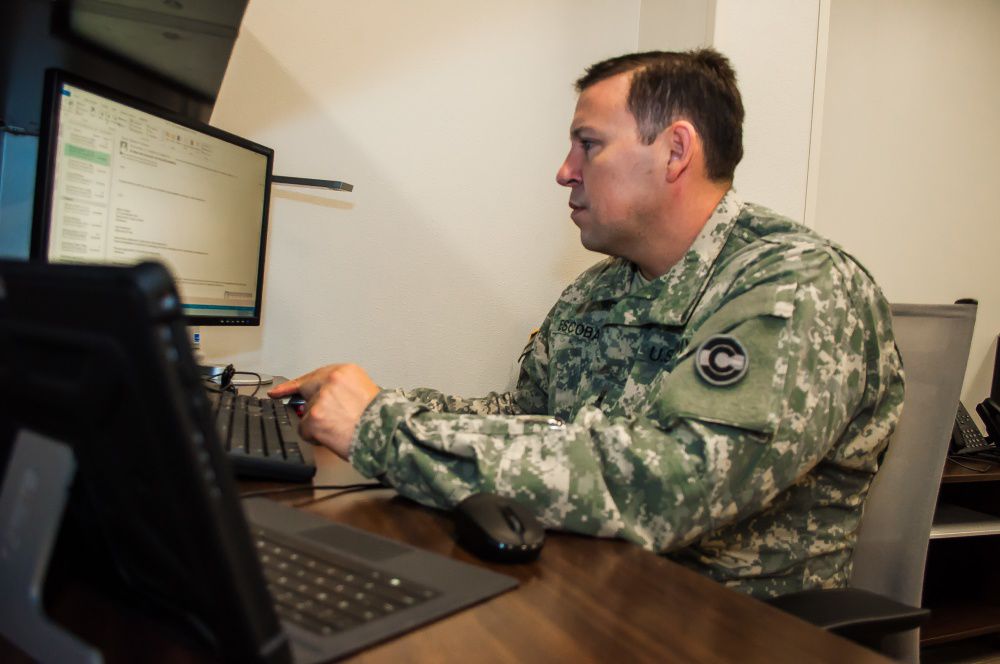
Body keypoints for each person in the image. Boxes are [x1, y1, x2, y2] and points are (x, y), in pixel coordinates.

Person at [269, 49, 904, 598]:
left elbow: (673, 484)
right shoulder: (599, 289)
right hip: (588, 585)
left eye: (589, 145)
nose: (565, 170)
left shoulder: (796, 286)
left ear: (675, 150)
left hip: (728, 625)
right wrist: (370, 403)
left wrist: (382, 429)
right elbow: (527, 417)